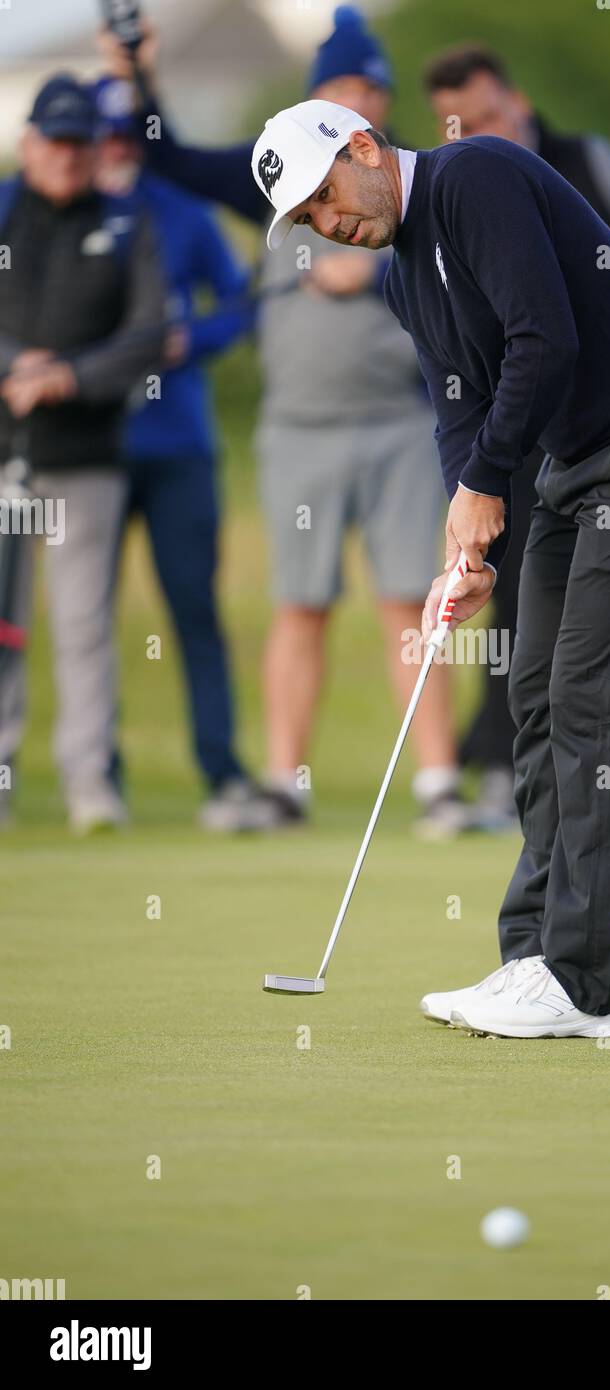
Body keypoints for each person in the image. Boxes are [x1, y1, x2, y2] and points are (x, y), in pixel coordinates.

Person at [250, 99, 610, 1037]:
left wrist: (486, 481)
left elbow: (541, 340)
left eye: (325, 198)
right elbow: (458, 407)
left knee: (594, 699)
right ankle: (534, 955)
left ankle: (588, 985)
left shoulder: (474, 176)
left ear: (362, 147)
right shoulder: (403, 280)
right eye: (310, 221)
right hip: (574, 459)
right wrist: (469, 541)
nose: (330, 226)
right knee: (534, 691)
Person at [99, 6, 465, 837]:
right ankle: (284, 784)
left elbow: (454, 277)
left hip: (402, 419)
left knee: (412, 602)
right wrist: (140, 77)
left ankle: (439, 782)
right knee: (302, 601)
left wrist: (367, 282)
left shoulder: (406, 177)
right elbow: (171, 155)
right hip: (300, 426)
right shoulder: (275, 171)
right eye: (344, 84)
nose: (361, 98)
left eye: (373, 85)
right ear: (316, 97)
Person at [423, 44, 610, 830]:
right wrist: (472, 499)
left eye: (485, 116)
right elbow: (465, 383)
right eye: (457, 125)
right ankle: (518, 788)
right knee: (525, 629)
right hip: (543, 435)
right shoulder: (451, 209)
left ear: (518, 100)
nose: (474, 135)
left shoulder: (585, 159)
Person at [93, 76, 280, 832]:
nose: (114, 152)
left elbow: (239, 304)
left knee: (194, 610)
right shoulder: (60, 216)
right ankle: (96, 775)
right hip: (92, 447)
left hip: (179, 445)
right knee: (85, 620)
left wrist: (187, 340)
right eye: (103, 138)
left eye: (126, 137)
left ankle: (222, 773)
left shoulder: (184, 213)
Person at [0, 74, 166, 832]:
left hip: (85, 457)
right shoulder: (4, 212)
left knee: (81, 626)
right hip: (7, 452)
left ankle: (89, 785)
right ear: (31, 143)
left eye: (80, 144)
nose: (68, 157)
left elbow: (147, 336)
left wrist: (67, 377)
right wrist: (15, 366)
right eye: (55, 142)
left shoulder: (128, 223)